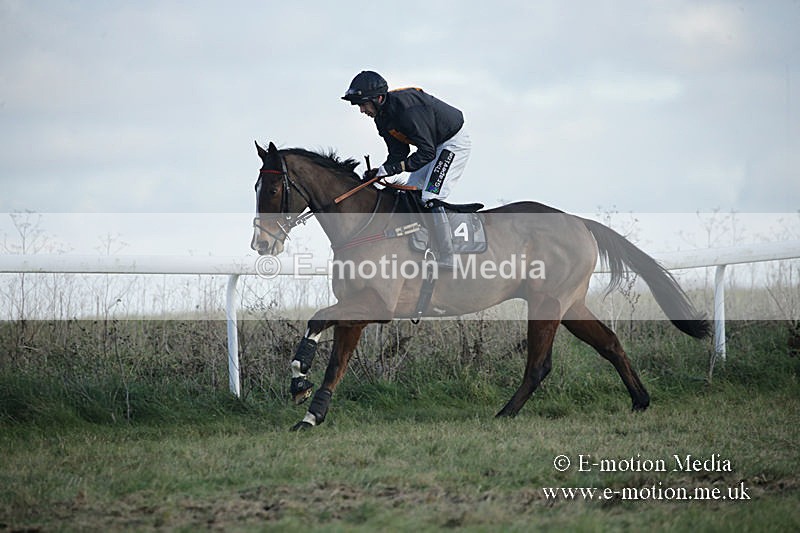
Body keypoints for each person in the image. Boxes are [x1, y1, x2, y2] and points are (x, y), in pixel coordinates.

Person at [341, 70, 471, 270]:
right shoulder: (381, 118)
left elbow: (426, 153)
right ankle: (422, 246)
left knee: (430, 197)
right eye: (359, 105)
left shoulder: (407, 111)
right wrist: (381, 170)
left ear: (379, 98)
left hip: (451, 143)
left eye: (363, 104)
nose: (361, 110)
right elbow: (398, 153)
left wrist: (396, 168)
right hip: (432, 146)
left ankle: (448, 255)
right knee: (410, 192)